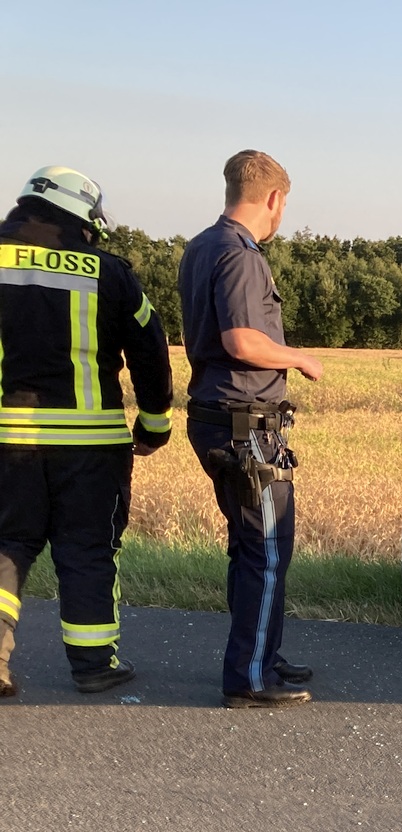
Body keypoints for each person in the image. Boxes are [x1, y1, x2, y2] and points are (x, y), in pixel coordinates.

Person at [0, 166, 174, 699]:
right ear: (84, 216)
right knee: (88, 550)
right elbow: (150, 349)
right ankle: (94, 665)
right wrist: (154, 424)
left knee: (6, 545)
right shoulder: (109, 272)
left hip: (7, 443)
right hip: (91, 447)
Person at [179, 149, 322, 709]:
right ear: (274, 199)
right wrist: (298, 357)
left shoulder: (200, 246)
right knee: (265, 548)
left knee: (249, 548)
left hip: (219, 417)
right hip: (245, 425)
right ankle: (249, 676)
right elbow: (243, 341)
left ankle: (262, 652)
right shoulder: (241, 256)